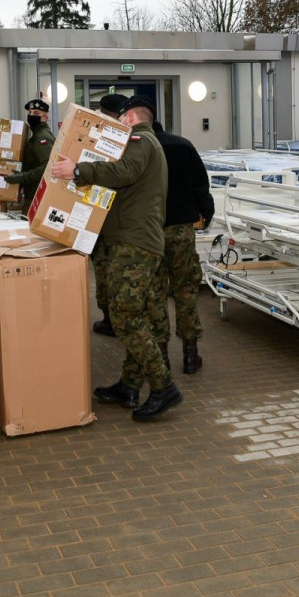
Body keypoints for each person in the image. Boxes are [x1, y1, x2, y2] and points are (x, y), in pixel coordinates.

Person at [51, 95, 182, 421]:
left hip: (133, 245)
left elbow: (124, 171)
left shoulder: (139, 140)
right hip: (140, 242)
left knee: (124, 318)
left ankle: (163, 386)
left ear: (128, 117)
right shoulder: (151, 143)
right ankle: (129, 384)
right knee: (139, 315)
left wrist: (78, 170)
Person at [151, 119, 215, 375]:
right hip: (181, 230)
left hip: (149, 232)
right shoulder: (183, 145)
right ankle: (190, 354)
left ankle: (162, 357)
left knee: (154, 293)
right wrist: (206, 212)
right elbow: (201, 184)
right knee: (185, 290)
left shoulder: (137, 147)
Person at [90, 92, 130, 337]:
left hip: (103, 218)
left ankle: (110, 318)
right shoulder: (135, 142)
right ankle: (115, 317)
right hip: (121, 220)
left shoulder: (105, 139)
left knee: (105, 270)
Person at [3, 99, 55, 202]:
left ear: (44, 118)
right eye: (30, 112)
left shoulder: (41, 137)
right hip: (33, 193)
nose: (31, 115)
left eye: (36, 113)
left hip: (37, 196)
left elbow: (48, 167)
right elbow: (34, 163)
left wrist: (23, 177)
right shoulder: (37, 134)